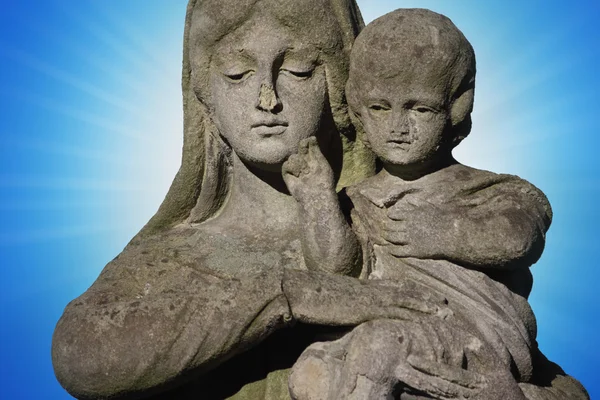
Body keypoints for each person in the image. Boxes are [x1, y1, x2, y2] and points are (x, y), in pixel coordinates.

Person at [51, 1, 450, 399]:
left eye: (297, 71)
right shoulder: (173, 255)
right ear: (205, 94)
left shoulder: (398, 231)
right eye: (237, 74)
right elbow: (80, 356)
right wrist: (286, 294)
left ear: (339, 87)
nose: (267, 99)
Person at [286, 9, 589, 400]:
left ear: (456, 107)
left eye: (419, 108)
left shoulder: (491, 190)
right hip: (378, 331)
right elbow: (338, 269)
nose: (397, 125)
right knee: (311, 374)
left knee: (379, 349)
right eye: (380, 107)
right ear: (358, 108)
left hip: (472, 340)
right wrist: (316, 199)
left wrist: (440, 230)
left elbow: (519, 238)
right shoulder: (358, 201)